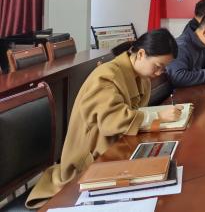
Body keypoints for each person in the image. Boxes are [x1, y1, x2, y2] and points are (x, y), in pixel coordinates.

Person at [26, 29, 181, 209]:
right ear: (140, 54)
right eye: (157, 66)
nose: (159, 73)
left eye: (163, 68)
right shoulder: (107, 76)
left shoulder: (140, 76)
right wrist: (157, 116)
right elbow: (112, 120)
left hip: (113, 147)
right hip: (88, 161)